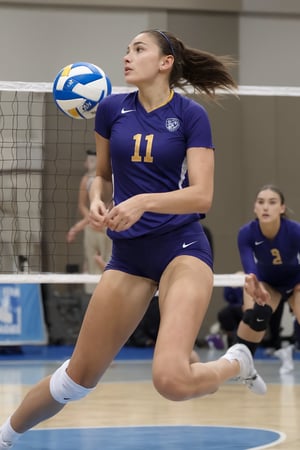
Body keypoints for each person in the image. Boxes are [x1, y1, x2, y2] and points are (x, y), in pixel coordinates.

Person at [0, 29, 266, 449]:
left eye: (138, 49)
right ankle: (5, 436)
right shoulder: (110, 109)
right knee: (76, 379)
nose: (127, 56)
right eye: (126, 49)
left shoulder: (190, 115)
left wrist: (141, 201)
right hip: (128, 256)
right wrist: (94, 200)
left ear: (165, 63)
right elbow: (102, 175)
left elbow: (202, 196)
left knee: (171, 379)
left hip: (181, 248)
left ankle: (235, 360)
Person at [235, 184, 300, 375]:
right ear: (255, 207)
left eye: (272, 203)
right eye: (261, 202)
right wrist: (254, 285)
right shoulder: (246, 233)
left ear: (282, 208)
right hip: (268, 283)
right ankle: (240, 366)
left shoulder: (295, 231)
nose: (265, 207)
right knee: (255, 315)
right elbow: (250, 269)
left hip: (296, 279)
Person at [66, 149, 112, 293]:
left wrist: (77, 227)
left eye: (90, 161)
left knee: (109, 263)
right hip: (92, 226)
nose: (86, 164)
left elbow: (113, 202)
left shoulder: (110, 177)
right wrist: (90, 218)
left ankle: (109, 293)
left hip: (109, 226)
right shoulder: (86, 179)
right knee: (92, 264)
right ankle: (93, 295)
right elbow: (82, 205)